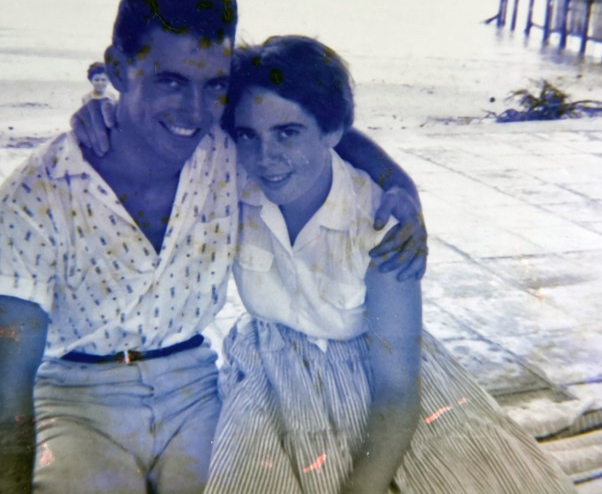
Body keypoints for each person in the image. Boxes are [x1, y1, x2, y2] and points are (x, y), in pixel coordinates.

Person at [0, 0, 427, 494]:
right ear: (118, 69)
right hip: (80, 398)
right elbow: (6, 391)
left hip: (193, 386)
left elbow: (319, 127)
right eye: (170, 81)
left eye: (214, 87)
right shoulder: (34, 199)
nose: (194, 111)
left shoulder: (229, 151)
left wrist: (401, 188)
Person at [205, 36, 576, 494]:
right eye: (249, 135)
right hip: (269, 370)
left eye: (288, 133)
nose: (266, 157)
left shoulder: (382, 224)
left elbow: (397, 394)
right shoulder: (237, 187)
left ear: (331, 132)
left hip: (375, 376)